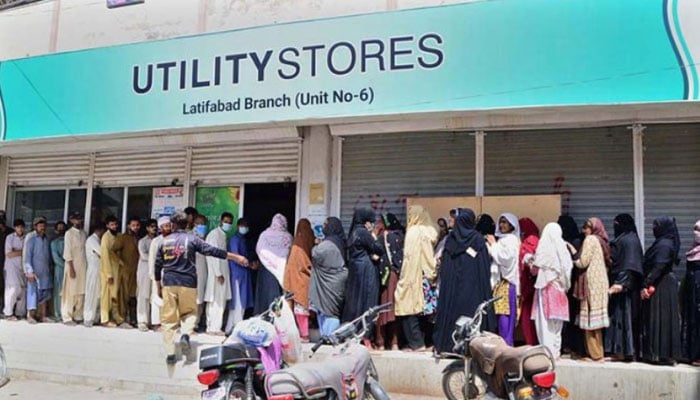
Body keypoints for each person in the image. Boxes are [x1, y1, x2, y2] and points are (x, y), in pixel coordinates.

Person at [155, 211, 248, 365]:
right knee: (190, 313)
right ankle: (185, 334)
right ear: (187, 224)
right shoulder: (192, 240)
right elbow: (213, 251)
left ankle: (170, 353)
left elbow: (157, 265)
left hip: (169, 283)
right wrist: (236, 257)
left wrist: (158, 285)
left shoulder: (163, 242)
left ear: (172, 225)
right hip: (188, 283)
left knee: (169, 320)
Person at [433, 208, 493, 354]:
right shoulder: (466, 239)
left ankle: (459, 348)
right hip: (464, 289)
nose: (451, 221)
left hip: (461, 290)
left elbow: (483, 267)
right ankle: (461, 348)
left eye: (455, 219)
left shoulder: (463, 240)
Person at [395, 205, 437, 352]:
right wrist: (432, 273)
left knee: (409, 308)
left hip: (413, 276)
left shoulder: (414, 232)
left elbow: (412, 257)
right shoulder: (427, 232)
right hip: (425, 277)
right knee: (425, 313)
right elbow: (428, 255)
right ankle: (427, 341)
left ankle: (417, 343)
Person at [640, 217, 681, 365]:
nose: (653, 229)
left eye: (656, 226)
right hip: (660, 284)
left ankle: (662, 354)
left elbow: (658, 266)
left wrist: (646, 283)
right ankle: (657, 354)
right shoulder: (664, 243)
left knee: (662, 319)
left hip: (661, 285)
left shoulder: (664, 245)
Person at [571, 218, 611, 362]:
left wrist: (573, 255)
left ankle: (594, 354)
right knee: (597, 320)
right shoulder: (602, 241)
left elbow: (583, 262)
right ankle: (598, 352)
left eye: (586, 227)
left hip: (591, 282)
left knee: (589, 319)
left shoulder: (590, 240)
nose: (584, 231)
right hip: (601, 281)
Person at [531, 223, 572, 359]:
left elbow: (535, 269)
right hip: (560, 290)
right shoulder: (563, 249)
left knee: (545, 323)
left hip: (546, 289)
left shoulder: (544, 248)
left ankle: (547, 352)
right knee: (557, 324)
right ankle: (556, 351)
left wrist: (528, 261)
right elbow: (567, 269)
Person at [606, 214, 644, 361]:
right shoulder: (628, 238)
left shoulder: (629, 241)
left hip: (626, 289)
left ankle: (625, 352)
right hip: (625, 287)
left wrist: (620, 284)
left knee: (625, 320)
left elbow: (630, 265)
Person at [309, 217, 348, 337]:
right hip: (337, 280)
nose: (323, 227)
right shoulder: (340, 241)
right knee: (330, 309)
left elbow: (316, 254)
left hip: (329, 282)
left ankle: (329, 336)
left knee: (329, 310)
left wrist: (315, 245)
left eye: (326, 225)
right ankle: (327, 336)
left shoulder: (329, 243)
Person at [487, 213, 521, 346]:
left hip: (507, 283)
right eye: (501, 222)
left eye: (505, 223)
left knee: (504, 315)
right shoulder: (504, 240)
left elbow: (504, 259)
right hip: (501, 283)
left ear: (512, 225)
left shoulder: (511, 240)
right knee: (501, 313)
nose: (502, 225)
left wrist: (493, 245)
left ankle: (506, 344)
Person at [283, 218, 315, 342]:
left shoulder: (296, 245)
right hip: (304, 280)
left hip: (295, 281)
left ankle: (302, 334)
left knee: (299, 308)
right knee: (303, 308)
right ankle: (305, 334)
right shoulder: (308, 244)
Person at [254, 214, 293, 314]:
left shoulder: (264, 235)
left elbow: (259, 250)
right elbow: (290, 253)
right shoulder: (288, 237)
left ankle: (263, 315)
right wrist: (279, 264)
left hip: (266, 269)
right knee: (278, 294)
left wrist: (268, 261)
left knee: (265, 293)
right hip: (282, 270)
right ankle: (277, 316)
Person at [376, 213, 404, 351]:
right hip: (398, 276)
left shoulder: (383, 237)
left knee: (383, 309)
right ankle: (395, 343)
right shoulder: (400, 236)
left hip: (386, 277)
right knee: (395, 310)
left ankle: (380, 342)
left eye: (380, 222)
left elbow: (376, 255)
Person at [558, 215, 585, 356]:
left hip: (568, 284)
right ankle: (574, 345)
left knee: (567, 316)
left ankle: (567, 344)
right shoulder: (578, 240)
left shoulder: (568, 243)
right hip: (576, 283)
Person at [204, 212, 234, 335]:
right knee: (215, 301)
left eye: (230, 222)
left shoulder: (223, 235)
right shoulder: (214, 235)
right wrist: (218, 273)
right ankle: (212, 328)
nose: (228, 224)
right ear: (221, 221)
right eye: (226, 221)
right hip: (217, 274)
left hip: (221, 272)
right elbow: (213, 254)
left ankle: (216, 327)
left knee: (220, 301)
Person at [225, 218, 254, 334]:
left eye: (246, 226)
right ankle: (235, 327)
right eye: (243, 226)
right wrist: (250, 264)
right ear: (238, 226)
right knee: (238, 302)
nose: (245, 228)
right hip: (237, 273)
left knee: (241, 302)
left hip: (243, 273)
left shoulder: (242, 240)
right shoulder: (234, 240)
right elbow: (236, 257)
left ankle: (232, 327)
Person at [114, 216, 140, 327]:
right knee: (123, 296)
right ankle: (121, 319)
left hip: (137, 270)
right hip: (125, 271)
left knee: (133, 295)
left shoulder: (139, 238)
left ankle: (133, 319)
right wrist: (120, 262)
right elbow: (113, 251)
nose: (135, 227)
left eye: (137, 225)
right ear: (128, 226)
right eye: (133, 225)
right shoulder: (122, 238)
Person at [25, 217, 53, 324]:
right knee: (32, 293)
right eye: (40, 226)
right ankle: (30, 316)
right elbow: (27, 257)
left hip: (45, 271)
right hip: (34, 271)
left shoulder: (46, 240)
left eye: (44, 226)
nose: (42, 228)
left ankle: (43, 316)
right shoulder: (31, 240)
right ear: (35, 227)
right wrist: (29, 271)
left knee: (44, 293)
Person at [61, 213, 87, 325]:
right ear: (72, 220)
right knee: (70, 292)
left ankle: (78, 315)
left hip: (83, 266)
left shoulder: (83, 234)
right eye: (76, 219)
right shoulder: (69, 234)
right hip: (72, 266)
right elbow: (67, 252)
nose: (78, 221)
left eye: (80, 219)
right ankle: (67, 317)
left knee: (81, 291)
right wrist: (71, 268)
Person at [148, 216, 172, 331]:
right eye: (165, 226)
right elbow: (152, 259)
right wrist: (153, 276)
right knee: (157, 298)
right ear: (161, 227)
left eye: (169, 225)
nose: (168, 228)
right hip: (158, 274)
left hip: (171, 274)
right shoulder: (156, 241)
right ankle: (157, 323)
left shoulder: (174, 239)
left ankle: (167, 322)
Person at [518, 217, 540, 346]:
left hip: (529, 283)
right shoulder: (533, 239)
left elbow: (529, 260)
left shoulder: (531, 241)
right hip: (531, 284)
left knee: (527, 316)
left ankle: (530, 342)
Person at [100, 216, 124, 328]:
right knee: (106, 295)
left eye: (115, 224)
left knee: (115, 295)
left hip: (117, 269)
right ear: (107, 226)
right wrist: (108, 274)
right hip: (107, 270)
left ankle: (116, 317)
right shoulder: (106, 237)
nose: (114, 226)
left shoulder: (118, 236)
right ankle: (104, 319)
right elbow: (105, 256)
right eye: (111, 225)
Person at [683, 220, 700, 365]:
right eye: (695, 230)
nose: (696, 234)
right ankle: (692, 354)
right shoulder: (693, 250)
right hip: (693, 294)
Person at [136, 219, 158, 331]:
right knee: (143, 295)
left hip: (156, 271)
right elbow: (143, 256)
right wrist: (156, 258)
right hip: (145, 270)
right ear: (147, 228)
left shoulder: (159, 240)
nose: (154, 228)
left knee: (154, 296)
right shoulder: (142, 241)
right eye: (151, 226)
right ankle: (142, 321)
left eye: (155, 226)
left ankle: (153, 321)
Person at [4, 219, 26, 320]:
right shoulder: (10, 238)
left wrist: (16, 251)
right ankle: (8, 313)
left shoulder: (26, 238)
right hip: (11, 268)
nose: (20, 229)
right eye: (18, 227)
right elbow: (9, 253)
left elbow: (28, 252)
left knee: (22, 290)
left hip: (22, 267)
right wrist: (22, 252)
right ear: (15, 228)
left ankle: (19, 312)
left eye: (21, 227)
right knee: (12, 289)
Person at [83, 224, 105, 327]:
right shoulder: (92, 240)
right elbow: (102, 252)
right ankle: (88, 318)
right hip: (93, 270)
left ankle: (96, 317)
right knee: (91, 294)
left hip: (99, 270)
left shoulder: (98, 240)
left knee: (98, 295)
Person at [192, 215, 209, 332]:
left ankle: (196, 323)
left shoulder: (207, 238)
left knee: (200, 299)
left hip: (203, 272)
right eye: (199, 224)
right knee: (191, 298)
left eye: (203, 224)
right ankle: (189, 324)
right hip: (191, 272)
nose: (201, 226)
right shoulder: (189, 236)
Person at [50, 220, 67, 320]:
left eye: (62, 227)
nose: (61, 230)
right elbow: (56, 258)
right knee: (58, 291)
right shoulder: (53, 242)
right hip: (59, 269)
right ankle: (58, 313)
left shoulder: (69, 240)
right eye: (59, 228)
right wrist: (66, 266)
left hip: (70, 269)